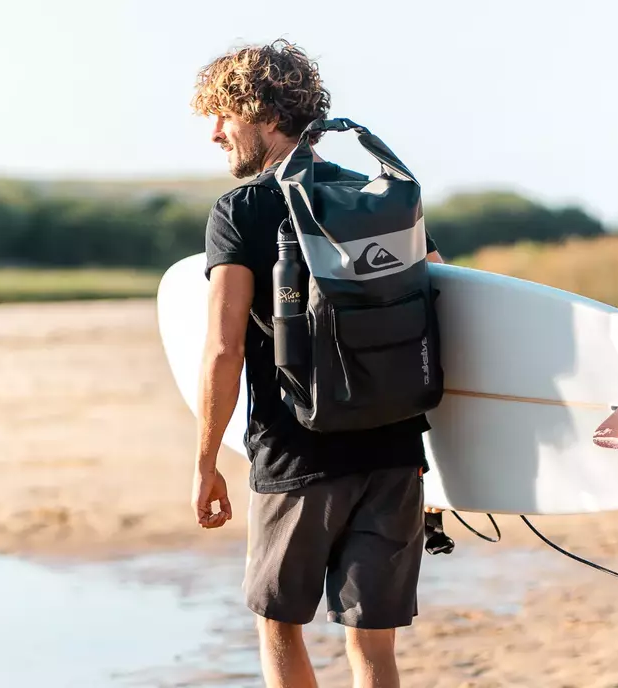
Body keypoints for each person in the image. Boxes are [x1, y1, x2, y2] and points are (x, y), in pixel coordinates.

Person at [187, 39, 445, 688]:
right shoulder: (380, 197)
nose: (216, 133)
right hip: (394, 453)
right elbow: (444, 304)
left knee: (279, 625)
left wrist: (206, 461)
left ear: (262, 112)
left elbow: (221, 347)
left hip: (297, 454)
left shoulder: (243, 211)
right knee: (373, 648)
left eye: (223, 115)